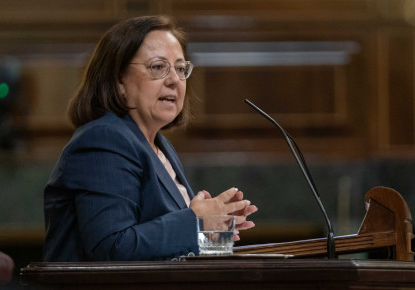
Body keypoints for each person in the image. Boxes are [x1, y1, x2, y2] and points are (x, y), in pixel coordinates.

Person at [43, 15, 258, 261]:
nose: (174, 80)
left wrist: (215, 232)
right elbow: (112, 248)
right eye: (158, 67)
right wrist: (195, 220)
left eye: (180, 69)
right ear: (119, 81)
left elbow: (167, 247)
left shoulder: (159, 146)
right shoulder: (103, 140)